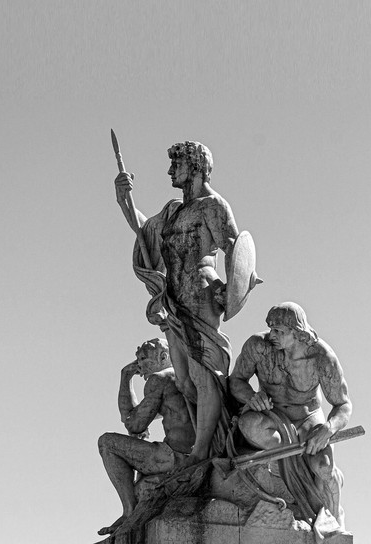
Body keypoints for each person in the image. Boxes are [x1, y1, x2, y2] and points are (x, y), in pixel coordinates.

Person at [115, 141, 241, 462]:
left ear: (195, 166)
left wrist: (231, 290)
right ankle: (210, 439)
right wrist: (123, 198)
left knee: (203, 375)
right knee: (184, 381)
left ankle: (202, 450)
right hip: (173, 298)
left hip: (200, 294)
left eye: (177, 164)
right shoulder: (173, 210)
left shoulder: (212, 206)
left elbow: (234, 249)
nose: (171, 171)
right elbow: (144, 230)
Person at [228, 302, 351, 532]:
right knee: (248, 424)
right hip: (272, 417)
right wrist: (252, 397)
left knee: (323, 468)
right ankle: (287, 481)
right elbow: (236, 381)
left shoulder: (321, 357)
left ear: (297, 332)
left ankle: (334, 516)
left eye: (279, 331)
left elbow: (343, 405)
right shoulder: (258, 346)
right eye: (271, 329)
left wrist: (328, 429)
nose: (272, 335)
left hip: (308, 420)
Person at [97, 338, 194, 537]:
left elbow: (133, 423)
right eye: (138, 360)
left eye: (144, 359)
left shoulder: (159, 379)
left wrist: (125, 377)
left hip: (173, 456)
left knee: (107, 443)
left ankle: (129, 512)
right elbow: (136, 419)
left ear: (163, 357)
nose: (140, 366)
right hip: (190, 453)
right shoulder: (181, 377)